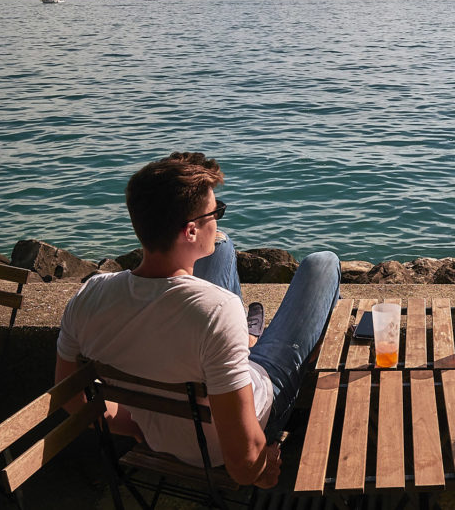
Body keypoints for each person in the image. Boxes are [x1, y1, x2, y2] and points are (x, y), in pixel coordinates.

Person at [55, 152, 341, 488]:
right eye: (215, 213)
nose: (217, 219)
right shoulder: (219, 310)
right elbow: (244, 461)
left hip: (165, 434)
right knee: (323, 263)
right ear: (191, 231)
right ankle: (251, 346)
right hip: (248, 413)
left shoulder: (88, 296)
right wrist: (263, 470)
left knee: (220, 246)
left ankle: (245, 342)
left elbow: (69, 397)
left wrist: (135, 426)